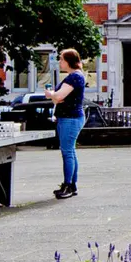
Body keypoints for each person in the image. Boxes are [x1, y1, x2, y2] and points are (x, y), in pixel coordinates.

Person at [43, 48, 86, 199]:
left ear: (68, 61)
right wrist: (55, 97)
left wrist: (51, 95)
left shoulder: (74, 77)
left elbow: (59, 96)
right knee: (70, 151)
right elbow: (58, 98)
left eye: (61, 59)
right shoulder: (74, 76)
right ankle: (71, 184)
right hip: (69, 117)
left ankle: (68, 184)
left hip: (70, 118)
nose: (59, 62)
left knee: (67, 152)